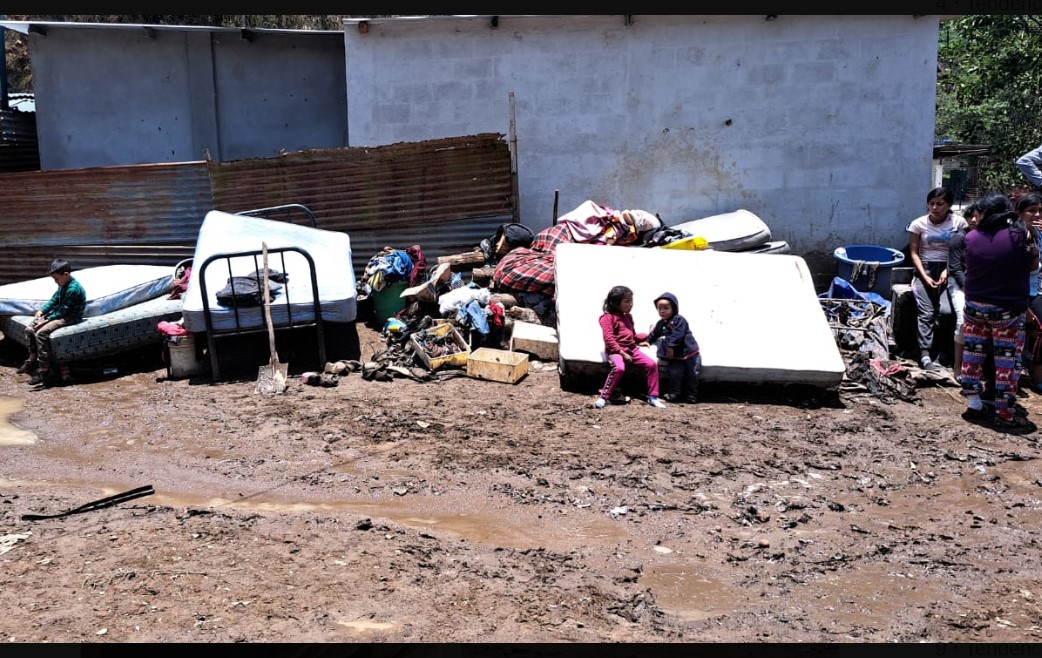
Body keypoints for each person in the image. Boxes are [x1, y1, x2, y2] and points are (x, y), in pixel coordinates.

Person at [960, 192, 1038, 432]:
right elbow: (1033, 267)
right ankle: (1005, 414)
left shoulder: (971, 237)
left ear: (985, 214)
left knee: (973, 353)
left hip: (974, 306)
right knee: (1007, 363)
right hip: (1006, 310)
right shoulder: (1020, 236)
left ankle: (974, 404)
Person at [907, 186, 968, 369]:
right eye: (931, 204)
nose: (935, 207)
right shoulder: (918, 224)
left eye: (940, 204)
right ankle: (925, 354)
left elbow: (961, 253)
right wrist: (924, 276)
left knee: (947, 312)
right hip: (925, 268)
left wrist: (948, 270)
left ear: (948, 205)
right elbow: (914, 252)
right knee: (926, 312)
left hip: (951, 269)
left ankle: (945, 352)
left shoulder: (959, 223)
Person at [594, 285, 666, 409]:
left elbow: (632, 335)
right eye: (627, 301)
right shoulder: (607, 318)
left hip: (631, 349)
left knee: (651, 365)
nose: (631, 304)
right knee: (619, 368)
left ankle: (653, 397)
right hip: (615, 351)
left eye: (631, 301)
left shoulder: (628, 317)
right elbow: (609, 339)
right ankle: (604, 397)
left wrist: (647, 336)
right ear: (616, 302)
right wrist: (622, 353)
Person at [18, 258, 87, 387]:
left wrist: (47, 321)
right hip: (59, 314)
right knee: (29, 328)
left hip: (69, 317)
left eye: (56, 279)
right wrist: (42, 311)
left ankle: (44, 369)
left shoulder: (73, 289)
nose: (56, 282)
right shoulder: (63, 285)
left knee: (41, 333)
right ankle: (32, 359)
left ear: (66, 275)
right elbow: (54, 300)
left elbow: (63, 310)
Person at [646, 292, 701, 403]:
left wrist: (671, 346)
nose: (662, 311)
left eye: (666, 308)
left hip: (690, 353)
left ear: (674, 308)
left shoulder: (679, 320)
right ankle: (674, 394)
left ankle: (691, 395)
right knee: (675, 374)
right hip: (675, 357)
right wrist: (647, 341)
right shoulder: (661, 323)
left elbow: (678, 333)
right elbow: (655, 333)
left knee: (692, 374)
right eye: (659, 308)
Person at [948, 199, 980, 380]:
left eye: (978, 216)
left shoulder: (990, 239)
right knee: (963, 318)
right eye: (971, 216)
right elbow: (955, 268)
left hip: (982, 286)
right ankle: (957, 366)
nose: (974, 220)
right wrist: (969, 289)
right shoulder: (959, 239)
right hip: (961, 284)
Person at [1016, 192, 1042, 392]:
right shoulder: (1015, 235)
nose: (1037, 215)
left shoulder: (1039, 233)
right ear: (1020, 213)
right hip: (1018, 289)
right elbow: (1029, 268)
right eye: (1031, 211)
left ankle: (1035, 374)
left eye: (1040, 211)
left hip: (1037, 288)